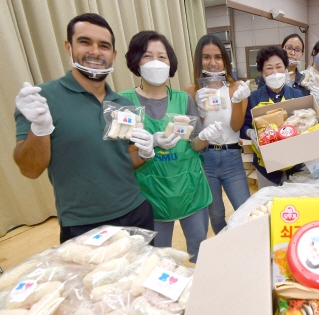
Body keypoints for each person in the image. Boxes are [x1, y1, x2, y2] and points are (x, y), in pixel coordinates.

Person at [13, 13, 154, 244]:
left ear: (114, 55)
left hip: (136, 212)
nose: (96, 52)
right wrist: (39, 128)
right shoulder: (41, 100)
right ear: (69, 47)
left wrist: (146, 154)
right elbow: (30, 170)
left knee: (141, 279)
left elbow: (124, 160)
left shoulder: (124, 105)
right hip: (83, 224)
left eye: (104, 46)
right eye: (85, 42)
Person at [119, 31, 218, 262]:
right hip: (151, 195)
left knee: (198, 248)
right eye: (147, 56)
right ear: (136, 61)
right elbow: (117, 156)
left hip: (190, 189)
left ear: (170, 62)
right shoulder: (124, 103)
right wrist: (149, 144)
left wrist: (205, 136)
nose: (155, 62)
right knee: (157, 257)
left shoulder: (184, 100)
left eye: (162, 57)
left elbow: (194, 146)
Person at [184, 35, 251, 235]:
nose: (213, 63)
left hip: (231, 157)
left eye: (218, 57)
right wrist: (200, 110)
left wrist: (237, 101)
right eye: (206, 57)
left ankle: (246, 248)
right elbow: (193, 134)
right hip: (205, 159)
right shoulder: (191, 89)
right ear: (199, 60)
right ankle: (224, 250)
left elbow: (236, 125)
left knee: (244, 209)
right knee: (216, 213)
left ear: (225, 60)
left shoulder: (236, 87)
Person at [241, 46, 303, 189]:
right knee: (270, 204)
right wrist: (250, 133)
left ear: (285, 69)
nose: (275, 72)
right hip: (266, 167)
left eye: (279, 67)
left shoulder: (297, 95)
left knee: (292, 206)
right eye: (269, 68)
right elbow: (243, 127)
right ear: (262, 73)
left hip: (295, 163)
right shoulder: (253, 98)